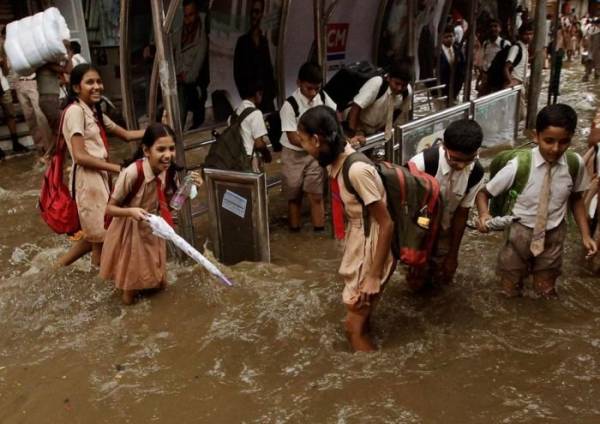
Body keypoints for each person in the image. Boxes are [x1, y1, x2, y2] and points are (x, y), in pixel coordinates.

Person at [297, 105, 395, 352]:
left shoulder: (357, 170)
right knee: (363, 317)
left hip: (371, 244)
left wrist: (372, 276)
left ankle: (374, 383)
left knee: (352, 327)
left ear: (317, 140)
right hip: (360, 238)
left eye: (303, 141)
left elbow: (386, 223)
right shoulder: (336, 158)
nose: (303, 148)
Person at [475, 104, 597, 298]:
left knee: (547, 292)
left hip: (554, 234)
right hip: (519, 233)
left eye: (564, 142)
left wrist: (585, 235)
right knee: (508, 291)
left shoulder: (575, 164)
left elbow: (576, 199)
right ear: (535, 136)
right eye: (549, 141)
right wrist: (484, 215)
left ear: (572, 138)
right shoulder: (519, 165)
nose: (556, 148)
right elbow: (483, 194)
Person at [100, 123, 203, 305]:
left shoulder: (168, 171)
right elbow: (109, 208)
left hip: (154, 230)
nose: (167, 155)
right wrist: (130, 211)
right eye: (161, 149)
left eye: (171, 149)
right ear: (146, 151)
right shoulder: (132, 172)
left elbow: (170, 206)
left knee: (158, 282)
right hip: (130, 233)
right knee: (130, 289)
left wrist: (188, 188)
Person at [57, 64, 145, 268]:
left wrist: (160, 129)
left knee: (97, 239)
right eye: (90, 82)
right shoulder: (75, 112)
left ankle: (57, 272)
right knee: (105, 237)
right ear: (77, 88)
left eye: (98, 81)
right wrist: (118, 169)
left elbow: (126, 135)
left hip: (100, 178)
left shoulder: (94, 112)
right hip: (89, 182)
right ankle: (105, 284)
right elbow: (79, 156)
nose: (96, 86)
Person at [408, 119, 484, 289]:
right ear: (443, 146)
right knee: (414, 279)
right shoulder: (421, 164)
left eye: (469, 160)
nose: (462, 165)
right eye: (455, 159)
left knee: (443, 277)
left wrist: (453, 254)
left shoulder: (476, 173)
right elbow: (404, 206)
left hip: (445, 229)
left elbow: (462, 213)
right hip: (418, 228)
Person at [280, 62, 336, 232]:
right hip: (293, 154)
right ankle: (295, 231)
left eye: (316, 89)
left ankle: (318, 232)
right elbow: (292, 137)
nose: (313, 93)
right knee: (294, 196)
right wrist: (315, 144)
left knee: (316, 195)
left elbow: (334, 118)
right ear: (299, 83)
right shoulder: (289, 105)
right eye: (309, 88)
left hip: (314, 155)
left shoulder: (324, 98)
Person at [345, 60, 412, 138]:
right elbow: (356, 107)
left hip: (375, 130)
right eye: (397, 83)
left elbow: (399, 111)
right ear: (388, 78)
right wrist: (354, 132)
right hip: (356, 125)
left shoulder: (407, 92)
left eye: (404, 85)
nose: (399, 88)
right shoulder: (377, 83)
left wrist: (384, 128)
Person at [233, 0, 277, 113]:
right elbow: (238, 73)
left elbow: (268, 70)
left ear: (261, 14)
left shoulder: (263, 42)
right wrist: (250, 95)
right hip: (250, 99)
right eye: (252, 12)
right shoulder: (242, 42)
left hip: (267, 100)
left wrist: (269, 93)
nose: (253, 16)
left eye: (257, 12)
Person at [175, 0, 209, 129]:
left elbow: (195, 72)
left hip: (193, 87)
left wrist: (182, 78)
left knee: (182, 94)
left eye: (191, 15)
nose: (188, 19)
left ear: (197, 15)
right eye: (185, 15)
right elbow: (168, 43)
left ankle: (178, 131)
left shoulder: (201, 39)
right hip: (178, 83)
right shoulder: (180, 33)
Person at [228, 79, 272, 172]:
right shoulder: (256, 114)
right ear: (258, 94)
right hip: (249, 160)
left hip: (234, 159)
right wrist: (267, 154)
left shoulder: (234, 114)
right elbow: (259, 144)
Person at [0, 27, 27, 159]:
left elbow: (5, 72)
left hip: (3, 86)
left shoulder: (2, 48)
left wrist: (3, 62)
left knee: (10, 114)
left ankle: (15, 142)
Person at [478, 19, 510, 96]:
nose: (493, 29)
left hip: (498, 78)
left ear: (500, 29)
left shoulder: (505, 44)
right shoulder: (486, 44)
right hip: (486, 78)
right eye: (491, 27)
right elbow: (484, 61)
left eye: (495, 26)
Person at [439, 26, 466, 104]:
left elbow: (463, 67)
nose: (449, 39)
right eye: (446, 37)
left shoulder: (458, 49)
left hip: (456, 88)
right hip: (442, 89)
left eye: (451, 36)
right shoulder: (437, 52)